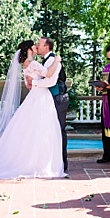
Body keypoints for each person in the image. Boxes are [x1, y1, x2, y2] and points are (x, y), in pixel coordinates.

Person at [0, 40, 65, 179]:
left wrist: (33, 82)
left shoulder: (26, 65)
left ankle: (35, 161)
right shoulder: (32, 63)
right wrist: (57, 60)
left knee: (34, 129)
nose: (36, 46)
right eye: (34, 45)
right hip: (41, 97)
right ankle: (38, 163)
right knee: (41, 129)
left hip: (35, 96)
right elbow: (49, 74)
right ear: (29, 49)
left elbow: (28, 84)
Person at [33, 36, 69, 173]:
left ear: (46, 47)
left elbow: (51, 82)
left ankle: (62, 164)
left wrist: (34, 84)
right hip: (51, 98)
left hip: (58, 98)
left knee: (59, 131)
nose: (37, 46)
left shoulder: (53, 60)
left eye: (39, 44)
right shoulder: (47, 60)